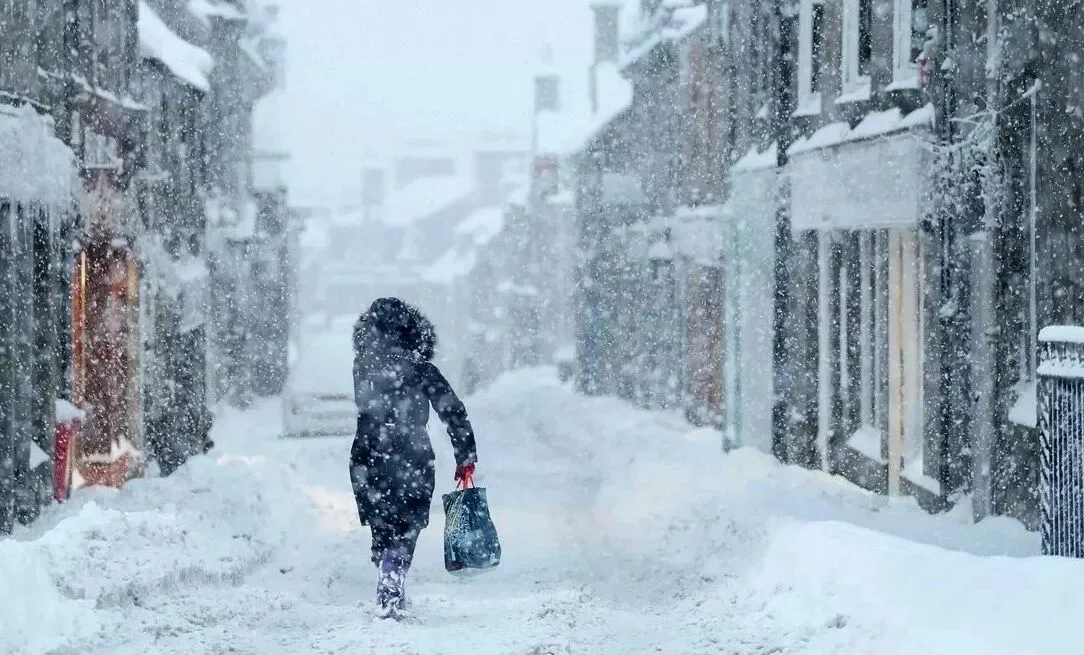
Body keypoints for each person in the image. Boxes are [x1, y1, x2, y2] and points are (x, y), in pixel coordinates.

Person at [348, 297, 478, 617]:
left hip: (368, 453)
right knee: (408, 523)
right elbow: (453, 412)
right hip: (412, 453)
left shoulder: (362, 365)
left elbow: (371, 403)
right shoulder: (421, 369)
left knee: (382, 518)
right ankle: (394, 571)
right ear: (412, 331)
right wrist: (465, 455)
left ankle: (385, 560)